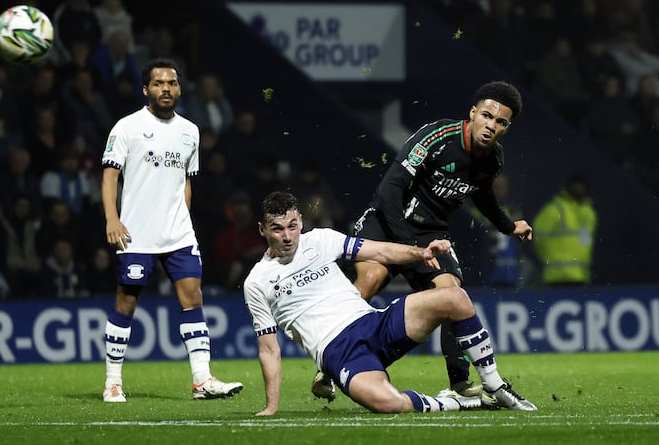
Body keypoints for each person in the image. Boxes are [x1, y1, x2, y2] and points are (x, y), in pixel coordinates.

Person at [317, 81, 534, 400]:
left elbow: (483, 195)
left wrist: (507, 225)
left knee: (451, 293)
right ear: (473, 113)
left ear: (507, 126)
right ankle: (327, 368)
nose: (491, 125)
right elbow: (389, 189)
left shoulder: (493, 160)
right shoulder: (436, 137)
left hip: (429, 232)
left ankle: (459, 384)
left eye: (500, 122)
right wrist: (410, 250)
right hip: (386, 220)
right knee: (371, 278)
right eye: (487, 115)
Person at [244, 191, 537, 415]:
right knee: (387, 402)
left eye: (292, 226)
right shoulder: (257, 282)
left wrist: (420, 253)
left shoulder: (320, 240)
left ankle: (494, 384)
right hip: (339, 353)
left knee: (454, 297)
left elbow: (380, 252)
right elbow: (269, 349)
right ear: (262, 229)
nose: (287, 236)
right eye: (277, 229)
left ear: (301, 222)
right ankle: (458, 402)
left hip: (372, 324)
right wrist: (271, 406)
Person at [100, 57, 243, 403]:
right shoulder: (127, 127)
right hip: (136, 233)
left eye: (173, 83)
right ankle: (113, 382)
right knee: (126, 302)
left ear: (180, 89)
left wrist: (185, 221)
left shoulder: (190, 131)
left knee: (193, 298)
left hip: (178, 233)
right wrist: (112, 218)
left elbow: (186, 183)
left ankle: (202, 380)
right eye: (160, 83)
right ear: (146, 89)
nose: (167, 89)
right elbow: (109, 175)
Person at [532, 175, 598, 286]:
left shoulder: (588, 212)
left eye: (581, 186)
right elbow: (538, 237)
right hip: (556, 276)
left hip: (581, 276)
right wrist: (547, 260)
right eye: (575, 186)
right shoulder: (555, 209)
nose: (579, 189)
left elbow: (586, 243)